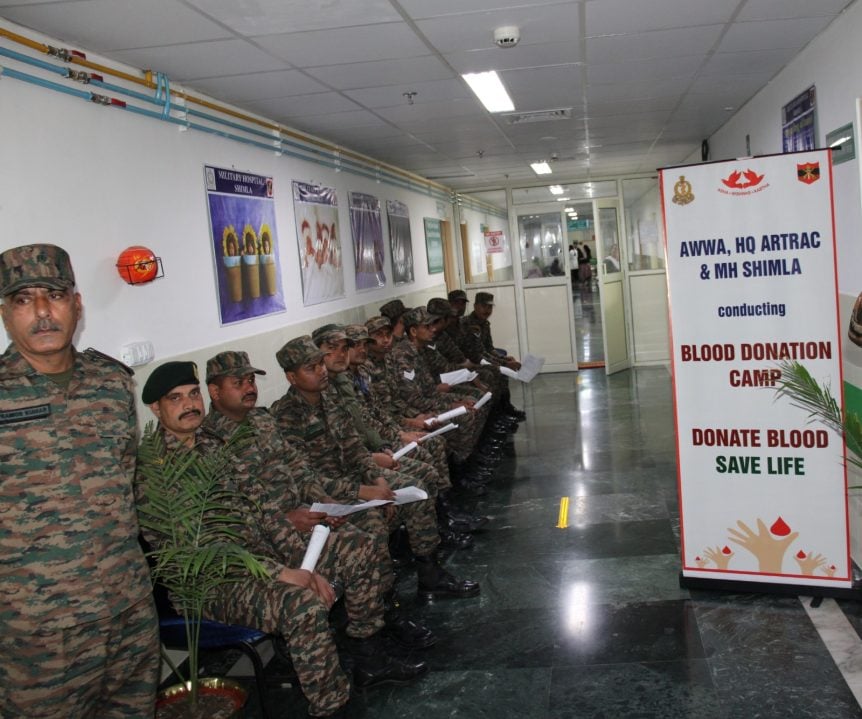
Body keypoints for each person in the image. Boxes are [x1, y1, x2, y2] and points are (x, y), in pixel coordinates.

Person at [138, 361, 427, 719]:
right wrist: (284, 572)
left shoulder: (211, 447)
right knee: (301, 606)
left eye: (192, 393)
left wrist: (297, 554)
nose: (190, 404)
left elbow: (259, 508)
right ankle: (332, 706)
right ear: (155, 407)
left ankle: (368, 653)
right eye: (175, 398)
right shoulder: (155, 471)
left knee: (359, 547)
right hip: (212, 581)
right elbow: (203, 550)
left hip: (258, 554)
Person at [0, 244, 159, 717]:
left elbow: (128, 480)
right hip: (37, 632)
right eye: (24, 299)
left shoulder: (111, 384)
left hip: (128, 608)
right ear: (5, 312)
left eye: (55, 295)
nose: (43, 312)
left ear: (77, 303)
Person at [270, 335, 480, 601]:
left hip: (356, 480)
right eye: (311, 368)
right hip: (326, 495)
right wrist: (364, 490)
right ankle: (384, 601)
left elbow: (356, 448)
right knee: (373, 522)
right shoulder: (285, 416)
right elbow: (306, 477)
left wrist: (377, 481)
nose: (322, 371)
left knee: (416, 491)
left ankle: (430, 574)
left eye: (320, 364)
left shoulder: (330, 401)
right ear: (291, 377)